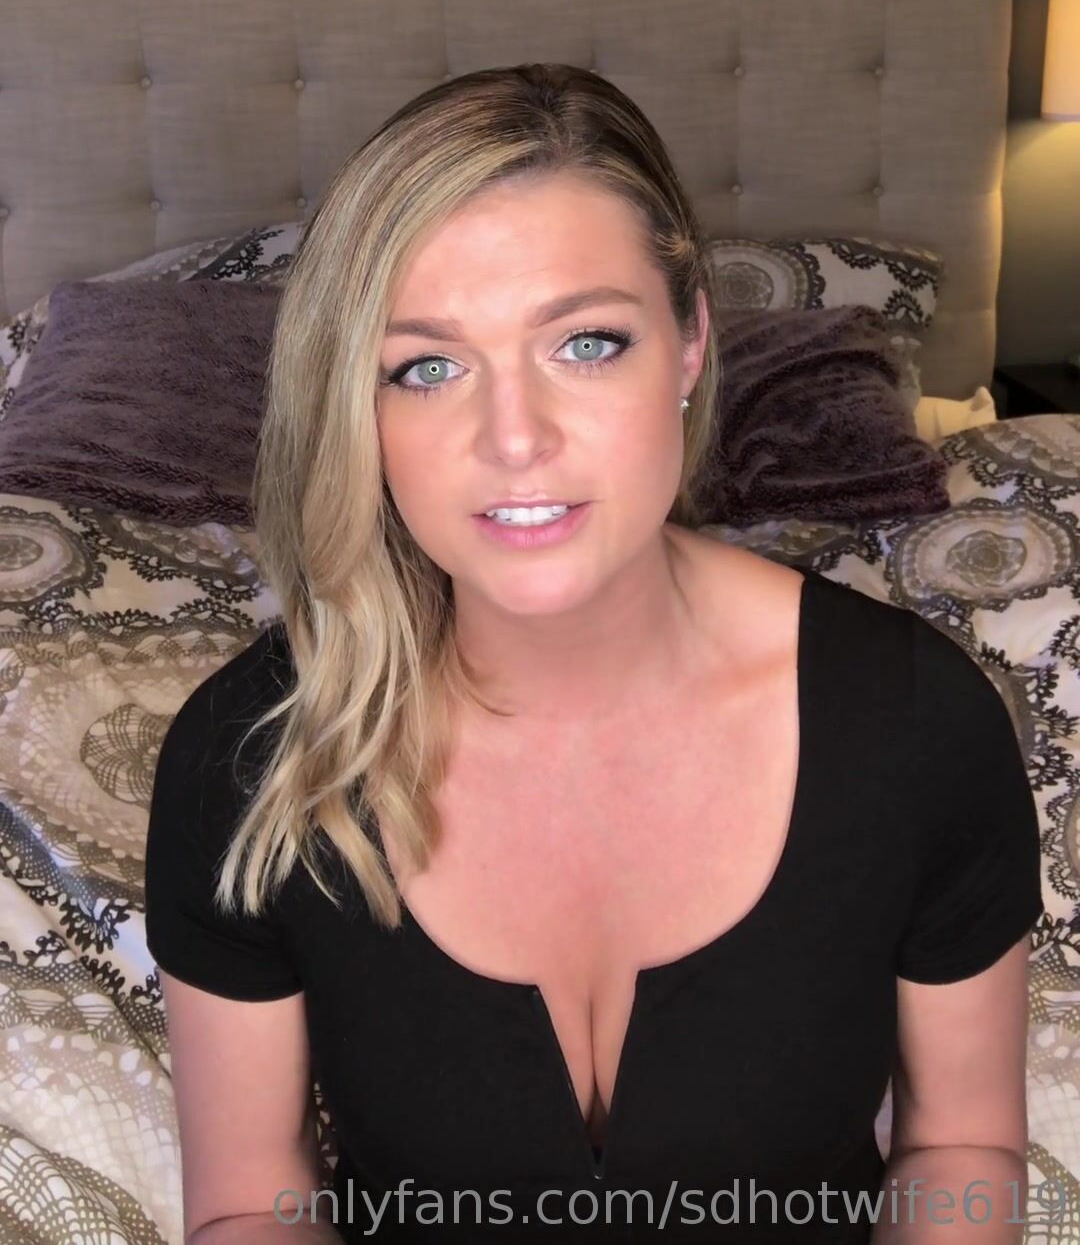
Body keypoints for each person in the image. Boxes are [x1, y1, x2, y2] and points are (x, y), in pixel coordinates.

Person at [144, 62, 1043, 1245]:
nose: (514, 438)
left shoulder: (917, 725)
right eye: (427, 366)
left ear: (688, 343)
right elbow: (249, 1204)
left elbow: (962, 1146)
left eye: (586, 343)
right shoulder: (248, 759)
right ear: (359, 408)